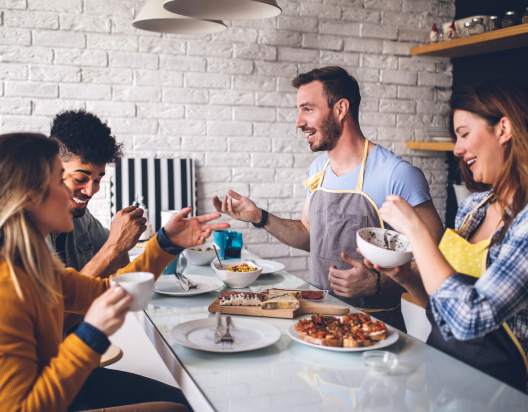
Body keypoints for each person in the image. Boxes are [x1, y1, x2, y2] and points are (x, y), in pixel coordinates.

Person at [0, 132, 229, 412]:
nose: (79, 191)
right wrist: (91, 335)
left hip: (63, 383)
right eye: (61, 179)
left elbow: (109, 289)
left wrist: (165, 243)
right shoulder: (8, 288)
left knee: (191, 402)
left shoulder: (35, 269)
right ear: (28, 197)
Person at [213, 66, 444, 331]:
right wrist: (260, 217)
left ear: (341, 109)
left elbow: (434, 258)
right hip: (320, 322)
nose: (298, 122)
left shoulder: (397, 174)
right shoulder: (318, 170)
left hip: (377, 330)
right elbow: (309, 235)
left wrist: (379, 282)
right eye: (299, 110)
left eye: (308, 109)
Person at [371, 77, 528, 391]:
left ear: (504, 129)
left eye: (464, 134)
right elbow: (447, 307)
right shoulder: (473, 207)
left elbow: (470, 319)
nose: (457, 149)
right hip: (441, 378)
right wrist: (408, 278)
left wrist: (418, 232)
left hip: (497, 391)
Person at [47, 110, 146, 332]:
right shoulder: (23, 229)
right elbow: (53, 323)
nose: (91, 190)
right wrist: (114, 245)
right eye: (80, 179)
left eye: (98, 179)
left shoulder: (80, 216)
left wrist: (126, 242)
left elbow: (121, 271)